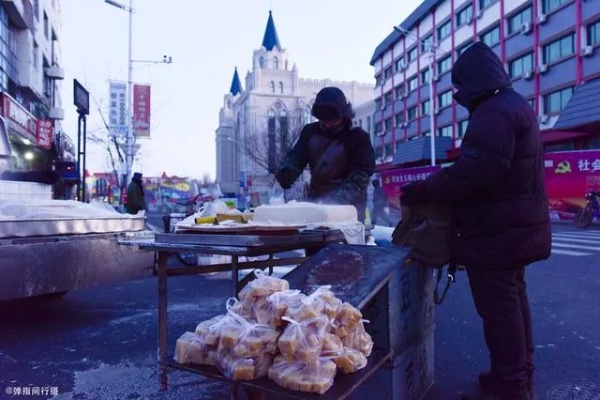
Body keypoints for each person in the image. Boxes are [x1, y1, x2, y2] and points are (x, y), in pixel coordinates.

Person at [399, 42, 551, 400]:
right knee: (513, 304)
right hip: (515, 230)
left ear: (473, 82)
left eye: (458, 86)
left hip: (498, 234)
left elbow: (476, 171)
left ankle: (509, 386)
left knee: (500, 312)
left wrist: (424, 189)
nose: (457, 95)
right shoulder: (514, 107)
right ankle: (518, 376)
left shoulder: (493, 113)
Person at [274, 87, 375, 222]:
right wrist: (288, 171)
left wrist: (337, 200)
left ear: (343, 116)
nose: (327, 124)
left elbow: (362, 174)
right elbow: (297, 156)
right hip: (316, 203)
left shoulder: (358, 137)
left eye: (332, 120)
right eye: (324, 120)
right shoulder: (310, 132)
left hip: (349, 210)